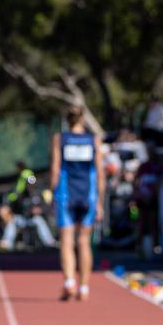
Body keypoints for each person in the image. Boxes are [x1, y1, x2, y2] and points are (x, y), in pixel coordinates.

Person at [50, 105, 105, 301]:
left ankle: (69, 282)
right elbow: (100, 172)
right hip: (88, 195)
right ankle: (84, 287)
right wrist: (99, 201)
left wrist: (52, 193)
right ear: (82, 119)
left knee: (66, 240)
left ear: (67, 120)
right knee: (83, 241)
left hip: (66, 194)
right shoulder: (93, 140)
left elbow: (56, 169)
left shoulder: (60, 139)